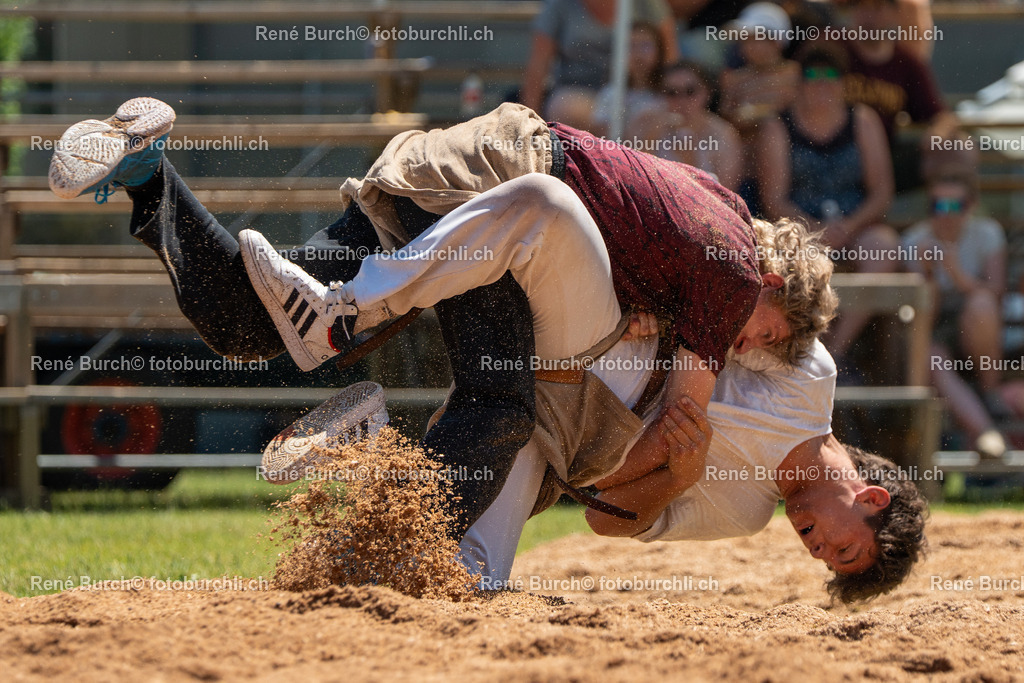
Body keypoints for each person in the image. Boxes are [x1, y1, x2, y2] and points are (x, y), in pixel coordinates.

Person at [49, 98, 773, 541]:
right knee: (499, 410)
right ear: (775, 287)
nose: (740, 343)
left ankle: (148, 174)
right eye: (764, 337)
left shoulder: (714, 211)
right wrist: (673, 469)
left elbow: (627, 227)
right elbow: (667, 417)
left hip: (452, 165)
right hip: (500, 185)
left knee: (250, 327)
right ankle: (357, 383)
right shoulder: (735, 276)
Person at [756, 45, 899, 376]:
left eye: (830, 77)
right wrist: (816, 229)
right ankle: (802, 348)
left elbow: (882, 192)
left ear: (843, 83)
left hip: (856, 225)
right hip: (799, 228)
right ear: (799, 83)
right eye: (813, 77)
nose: (822, 86)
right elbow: (775, 199)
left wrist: (848, 226)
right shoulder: (777, 126)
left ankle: (834, 352)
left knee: (884, 246)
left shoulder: (863, 119)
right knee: (792, 258)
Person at [902, 166, 1010, 458]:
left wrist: (957, 274)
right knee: (932, 358)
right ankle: (987, 435)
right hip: (935, 335)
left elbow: (997, 294)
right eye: (938, 205)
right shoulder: (915, 241)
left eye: (954, 206)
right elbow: (920, 320)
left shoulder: (987, 233)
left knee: (982, 304)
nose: (945, 213)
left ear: (970, 206)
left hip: (978, 335)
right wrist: (930, 276)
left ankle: (990, 393)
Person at [521, 0, 679, 130]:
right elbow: (537, 69)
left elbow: (670, 60)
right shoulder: (560, 6)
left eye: (643, 46)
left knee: (655, 116)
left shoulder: (648, 5)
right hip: (582, 94)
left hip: (639, 91)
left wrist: (672, 99)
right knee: (566, 109)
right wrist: (530, 125)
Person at [719, 2, 800, 214]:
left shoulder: (796, 75)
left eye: (754, 39)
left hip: (790, 174)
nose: (746, 46)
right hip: (747, 174)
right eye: (744, 40)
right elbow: (726, 121)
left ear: (776, 41)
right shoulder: (735, 80)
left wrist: (754, 115)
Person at [631, 60, 742, 191]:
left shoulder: (723, 134)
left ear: (707, 92)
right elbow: (633, 181)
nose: (681, 100)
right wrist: (651, 137)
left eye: (690, 91)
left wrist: (689, 160)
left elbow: (725, 197)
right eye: (672, 92)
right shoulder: (646, 123)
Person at [589, 21, 667, 137]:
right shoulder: (611, 94)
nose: (638, 54)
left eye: (645, 46)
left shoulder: (670, 91)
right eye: (630, 46)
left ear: (659, 50)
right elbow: (605, 137)